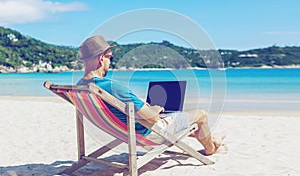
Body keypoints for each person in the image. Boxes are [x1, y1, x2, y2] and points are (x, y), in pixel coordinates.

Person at [77, 35, 225, 155]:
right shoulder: (110, 86)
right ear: (102, 58)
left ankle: (212, 139)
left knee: (181, 119)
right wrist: (155, 108)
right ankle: (211, 148)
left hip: (122, 131)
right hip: (148, 134)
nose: (110, 62)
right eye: (111, 57)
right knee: (201, 114)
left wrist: (139, 104)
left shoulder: (80, 86)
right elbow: (152, 118)